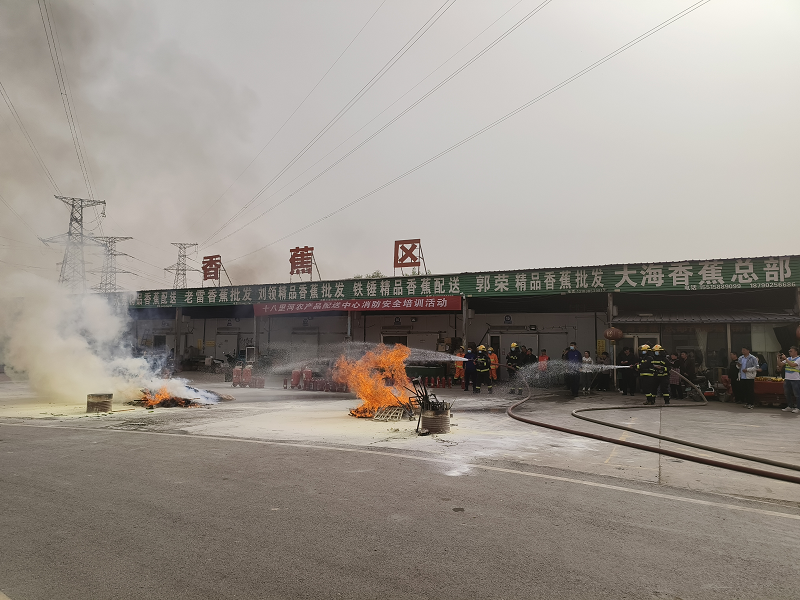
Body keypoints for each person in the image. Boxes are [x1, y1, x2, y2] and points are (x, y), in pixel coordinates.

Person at [778, 347, 800, 413]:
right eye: (789, 351)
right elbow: (780, 364)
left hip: (795, 379)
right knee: (787, 393)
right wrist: (778, 358)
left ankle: (798, 408)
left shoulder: (798, 359)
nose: (789, 352)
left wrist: (785, 359)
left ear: (796, 352)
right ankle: (790, 406)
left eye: (791, 351)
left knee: (797, 394)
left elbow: (793, 365)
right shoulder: (789, 359)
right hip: (787, 379)